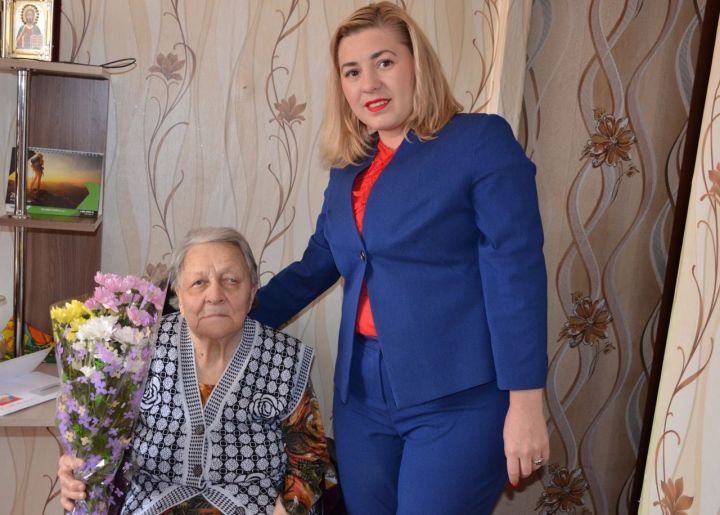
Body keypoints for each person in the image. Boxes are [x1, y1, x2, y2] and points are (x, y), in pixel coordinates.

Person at [249, 3, 550, 514]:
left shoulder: (480, 141)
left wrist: (526, 402)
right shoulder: (348, 169)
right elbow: (315, 267)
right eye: (352, 71)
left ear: (417, 64)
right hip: (361, 397)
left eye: (384, 62)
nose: (369, 83)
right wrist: (225, 319)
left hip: (458, 397)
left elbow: (516, 274)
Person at [58, 227, 329, 515]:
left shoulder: (285, 359)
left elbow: (308, 463)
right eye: (199, 282)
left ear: (252, 292)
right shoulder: (137, 346)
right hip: (149, 504)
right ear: (179, 296)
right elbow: (100, 439)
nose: (215, 295)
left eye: (231, 280)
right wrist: (77, 468)